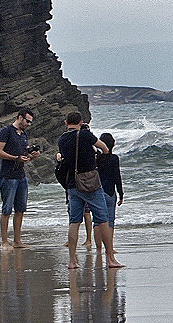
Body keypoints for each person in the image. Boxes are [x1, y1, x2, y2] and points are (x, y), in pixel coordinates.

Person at [58, 111, 123, 269]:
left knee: (74, 221)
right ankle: (110, 259)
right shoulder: (86, 135)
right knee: (103, 219)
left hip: (73, 184)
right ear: (80, 122)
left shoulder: (62, 139)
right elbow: (104, 148)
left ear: (66, 123)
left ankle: (72, 261)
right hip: (90, 183)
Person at [0, 108, 40, 250]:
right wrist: (16, 158)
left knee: (20, 209)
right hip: (7, 175)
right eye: (27, 121)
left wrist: (31, 156)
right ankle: (4, 241)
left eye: (31, 122)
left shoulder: (24, 135)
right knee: (7, 209)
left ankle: (17, 241)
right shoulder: (6, 131)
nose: (29, 124)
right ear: (20, 117)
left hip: (21, 175)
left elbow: (24, 155)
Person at [95, 132, 124, 255]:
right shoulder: (114, 159)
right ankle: (109, 248)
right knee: (110, 221)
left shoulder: (96, 159)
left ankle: (98, 249)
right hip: (110, 192)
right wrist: (121, 193)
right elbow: (117, 176)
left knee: (97, 221)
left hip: (97, 192)